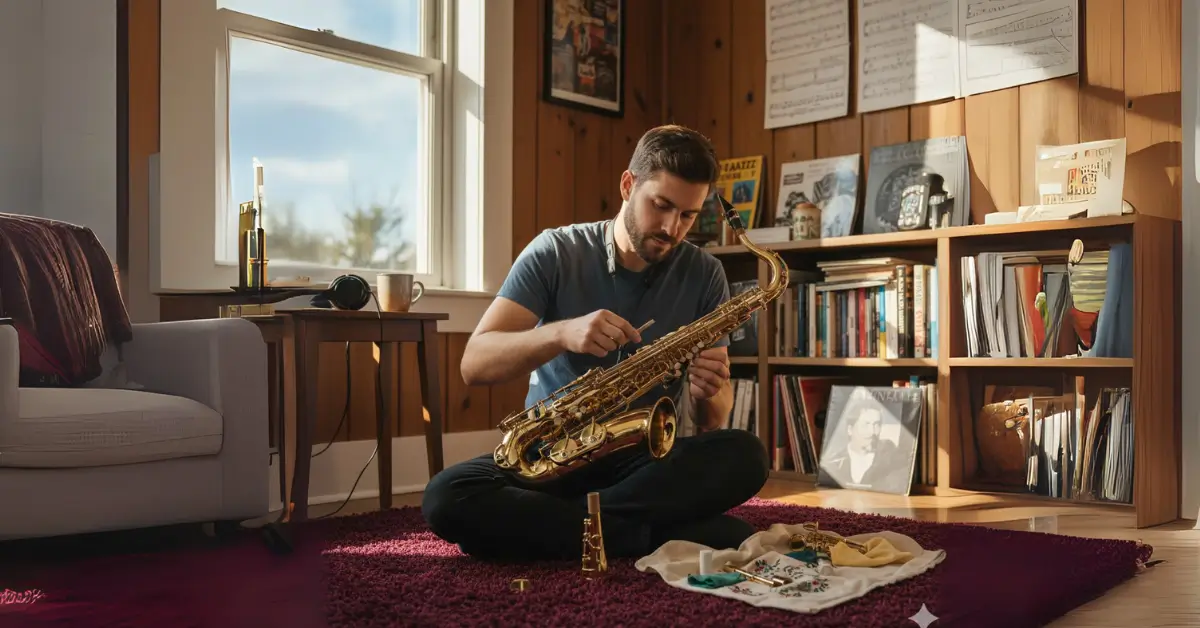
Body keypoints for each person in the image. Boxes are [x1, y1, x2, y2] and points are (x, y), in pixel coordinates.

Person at [421, 124, 770, 562]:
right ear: (628, 185)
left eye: (688, 215)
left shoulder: (705, 274)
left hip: (645, 465)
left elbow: (712, 420)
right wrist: (562, 332)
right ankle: (639, 535)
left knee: (747, 456)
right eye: (660, 206)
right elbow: (475, 364)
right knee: (446, 496)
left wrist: (709, 391)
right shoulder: (554, 251)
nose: (671, 228)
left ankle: (555, 528)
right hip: (551, 456)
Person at [818, 407, 908, 494]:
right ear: (850, 430)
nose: (872, 431)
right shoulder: (833, 462)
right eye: (866, 425)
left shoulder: (892, 456)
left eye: (876, 425)